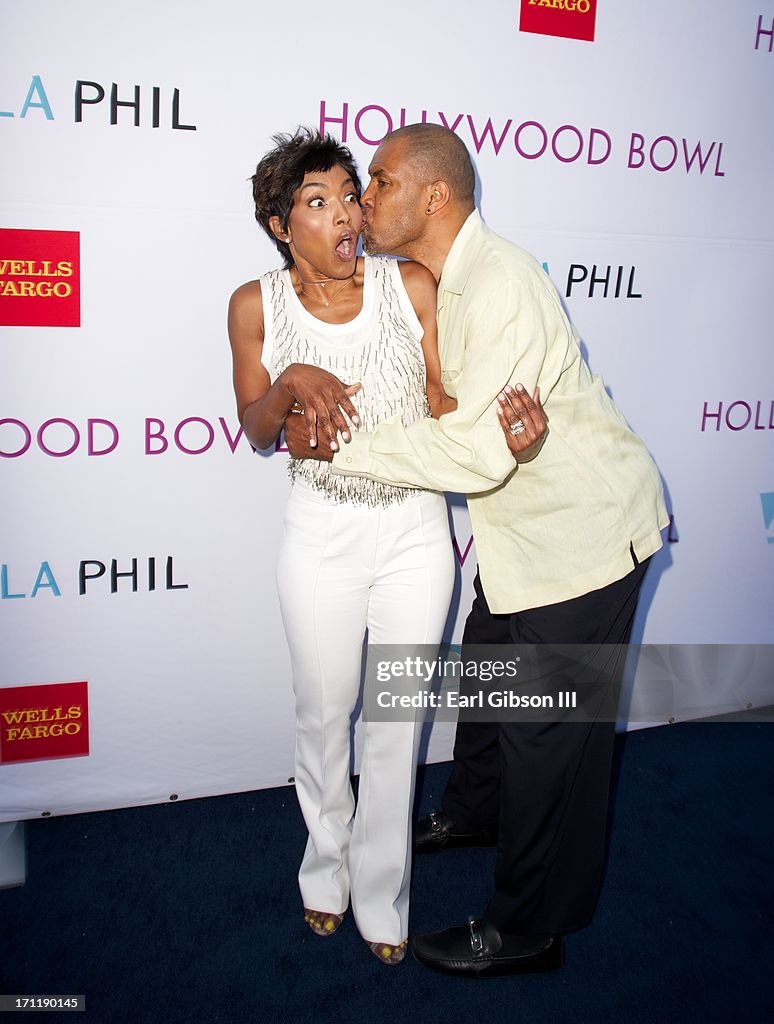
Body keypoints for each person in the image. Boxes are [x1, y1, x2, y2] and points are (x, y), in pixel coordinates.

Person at [284, 122, 669, 979]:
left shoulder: (499, 284)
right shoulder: (441, 281)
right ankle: (473, 811)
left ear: (435, 197)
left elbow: (472, 451)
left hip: (585, 540)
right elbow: (468, 421)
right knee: (489, 682)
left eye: (378, 182)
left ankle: (529, 925)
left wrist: (342, 446)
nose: (362, 197)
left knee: (551, 741)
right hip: (521, 536)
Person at [227, 128, 542, 967]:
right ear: (277, 223)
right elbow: (257, 429)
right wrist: (291, 384)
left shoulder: (410, 285)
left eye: (347, 195)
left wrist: (499, 430)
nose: (345, 216)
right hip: (320, 536)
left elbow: (444, 403)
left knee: (396, 726)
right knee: (324, 721)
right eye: (317, 202)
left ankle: (382, 892)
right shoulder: (257, 303)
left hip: (413, 533)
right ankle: (324, 871)